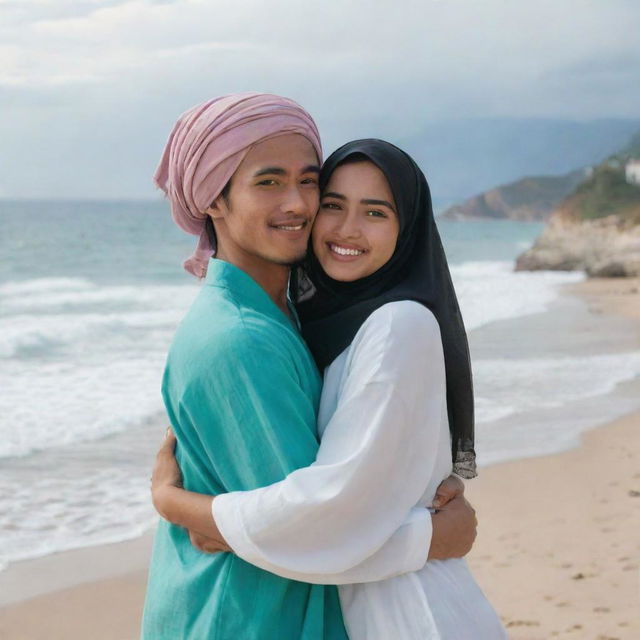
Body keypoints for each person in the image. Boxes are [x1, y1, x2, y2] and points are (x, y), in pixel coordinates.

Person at [142, 94, 477, 640]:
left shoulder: (289, 318)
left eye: (308, 181)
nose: (297, 203)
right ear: (214, 200)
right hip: (244, 620)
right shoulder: (241, 337)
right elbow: (316, 528)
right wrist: (436, 537)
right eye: (269, 182)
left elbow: (320, 522)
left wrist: (187, 509)